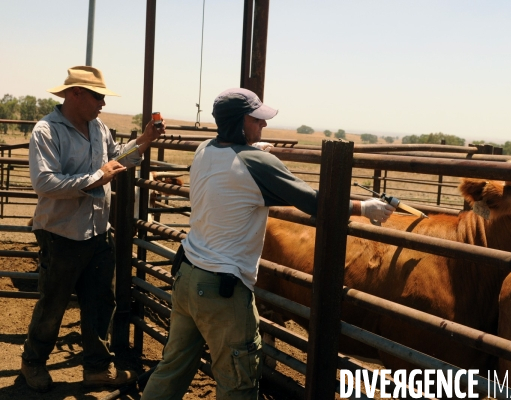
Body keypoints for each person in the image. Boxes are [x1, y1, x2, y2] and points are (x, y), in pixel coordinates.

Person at [141, 88, 394, 399]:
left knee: (173, 366)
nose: (263, 125)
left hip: (187, 275)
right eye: (257, 120)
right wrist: (364, 208)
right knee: (238, 382)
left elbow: (231, 163)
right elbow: (317, 203)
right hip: (223, 291)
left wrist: (251, 147)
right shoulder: (255, 163)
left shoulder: (205, 149)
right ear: (241, 122)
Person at [21, 65, 165, 392]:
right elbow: (44, 183)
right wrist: (96, 178)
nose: (103, 103)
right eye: (98, 96)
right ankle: (33, 362)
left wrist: (144, 139)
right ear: (76, 94)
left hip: (98, 231)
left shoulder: (98, 127)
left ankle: (97, 368)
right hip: (61, 234)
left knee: (101, 300)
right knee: (54, 303)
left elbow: (116, 159)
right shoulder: (47, 131)